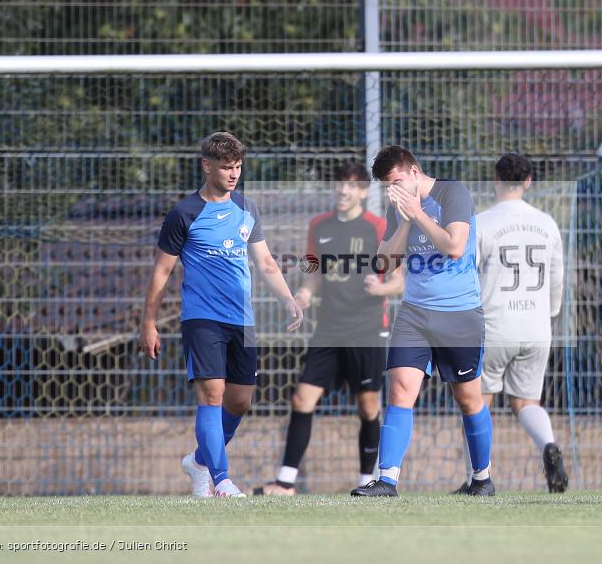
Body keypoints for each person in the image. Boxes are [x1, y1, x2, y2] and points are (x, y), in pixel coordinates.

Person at [138, 131, 302, 498]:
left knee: (240, 400)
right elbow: (161, 272)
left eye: (238, 167)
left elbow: (265, 261)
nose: (233, 174)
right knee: (211, 395)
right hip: (202, 318)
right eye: (227, 167)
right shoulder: (184, 214)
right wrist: (148, 322)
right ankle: (221, 480)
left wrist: (288, 299)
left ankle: (199, 462)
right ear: (206, 166)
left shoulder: (247, 208)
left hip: (242, 319)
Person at [350, 145, 494, 497]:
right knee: (399, 389)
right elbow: (383, 263)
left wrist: (418, 214)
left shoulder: (452, 193)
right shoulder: (399, 207)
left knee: (469, 399)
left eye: (397, 182)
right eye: (388, 186)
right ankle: (387, 480)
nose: (394, 191)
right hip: (414, 313)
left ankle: (481, 478)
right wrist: (405, 219)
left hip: (459, 313)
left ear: (414, 172)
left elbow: (454, 246)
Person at [259, 162, 404, 495]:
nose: (344, 190)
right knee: (302, 398)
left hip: (366, 331)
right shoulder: (319, 226)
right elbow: (314, 271)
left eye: (352, 186)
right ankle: (286, 481)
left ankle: (368, 481)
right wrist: (306, 293)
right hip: (328, 329)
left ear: (365, 192)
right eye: (340, 184)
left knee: (368, 406)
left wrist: (381, 288)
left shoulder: (378, 227)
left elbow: (399, 281)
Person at [458, 152, 568, 493]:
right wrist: (549, 314)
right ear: (529, 181)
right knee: (525, 403)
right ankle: (548, 445)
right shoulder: (547, 223)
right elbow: (557, 277)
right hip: (536, 327)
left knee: (478, 402)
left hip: (495, 326)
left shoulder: (482, 222)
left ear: (495, 179)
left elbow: (466, 275)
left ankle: (476, 480)